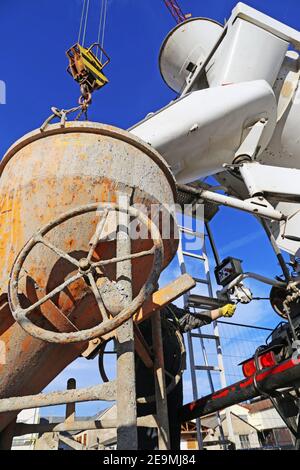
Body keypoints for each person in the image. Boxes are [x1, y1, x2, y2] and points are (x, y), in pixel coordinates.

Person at [136, 302, 236, 450]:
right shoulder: (134, 305)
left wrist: (220, 311)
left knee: (172, 422)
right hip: (145, 378)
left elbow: (189, 319)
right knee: (147, 430)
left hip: (173, 379)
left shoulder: (166, 306)